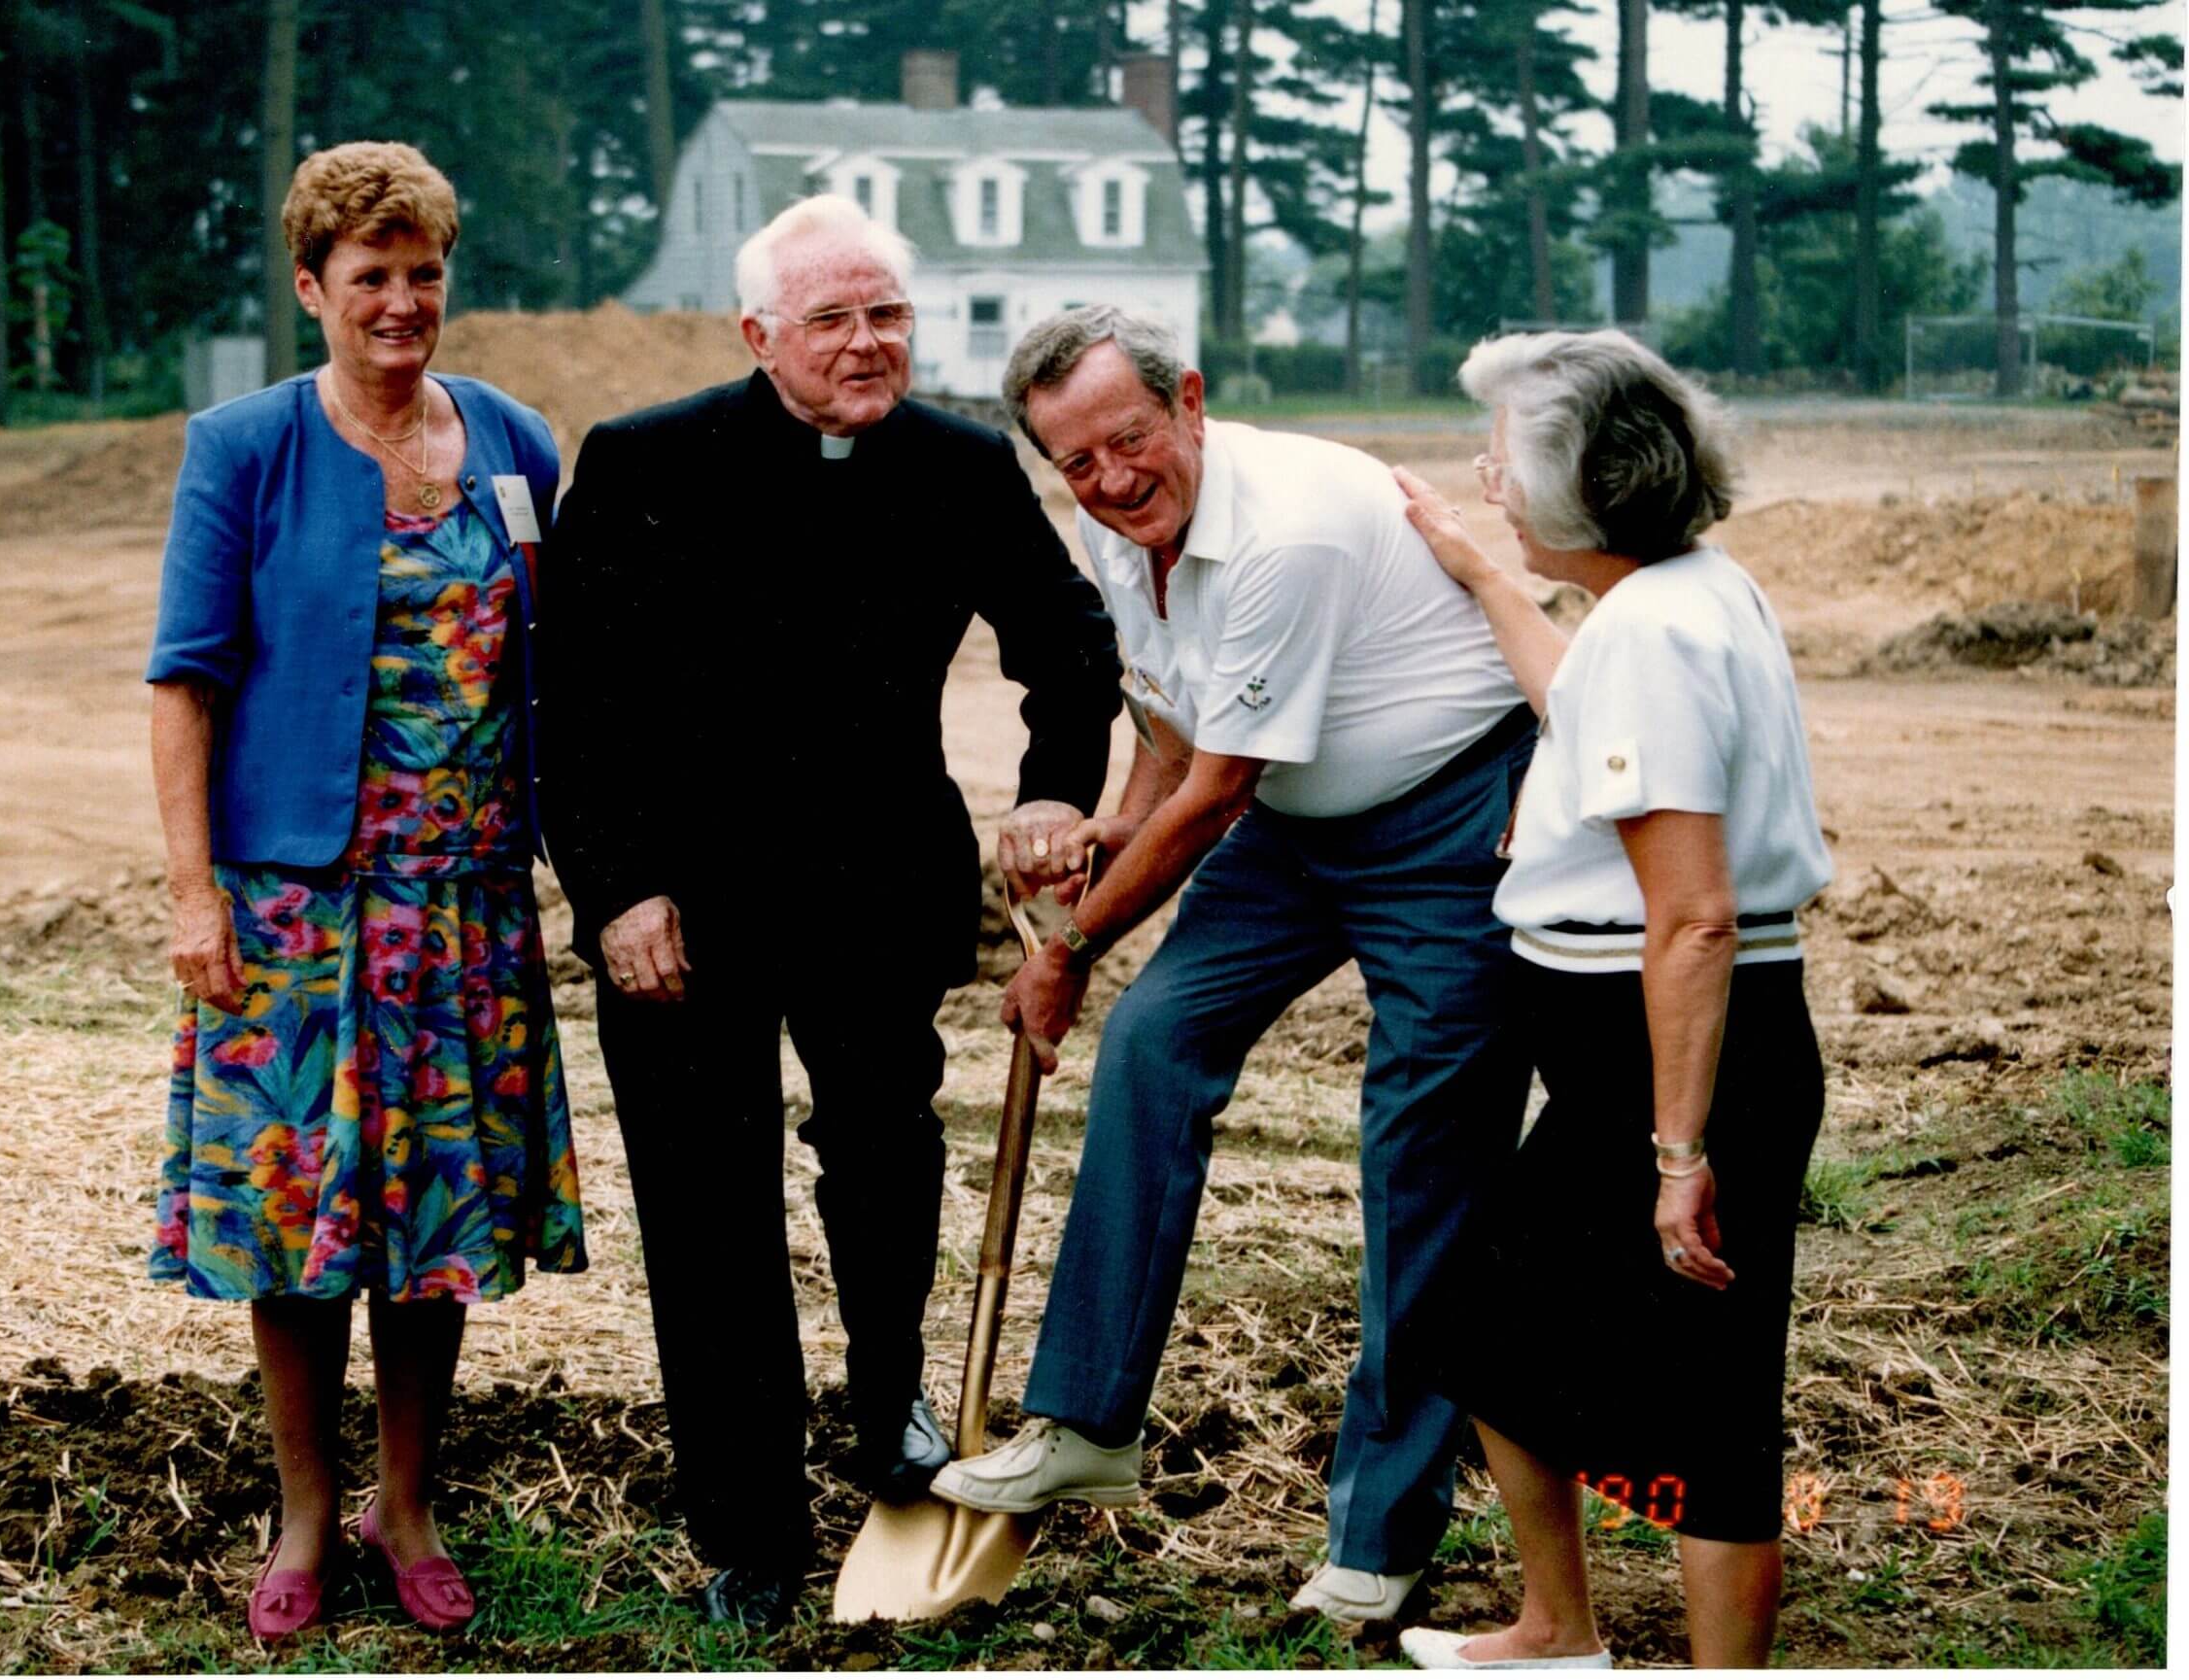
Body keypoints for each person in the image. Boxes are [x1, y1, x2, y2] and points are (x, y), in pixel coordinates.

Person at [539, 195, 1120, 1628]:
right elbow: (576, 704)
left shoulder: (961, 464)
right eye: (832, 320)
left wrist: (1055, 787)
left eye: (888, 315)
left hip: (876, 884)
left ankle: (888, 1414)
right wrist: (615, 888)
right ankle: (748, 1522)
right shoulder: (644, 458)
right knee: (707, 1205)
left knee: (884, 1165)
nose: (868, 343)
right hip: (681, 906)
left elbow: (1069, 641)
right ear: (758, 335)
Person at [928, 305, 1538, 1629]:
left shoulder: (1286, 527)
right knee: (1155, 1042)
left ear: (1189, 401)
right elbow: (1167, 733)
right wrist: (1107, 841)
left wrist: (1072, 948)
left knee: (1421, 1150)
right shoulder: (1116, 523)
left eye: (1129, 439)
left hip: (1449, 820)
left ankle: (1380, 1536)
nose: (1108, 479)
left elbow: (1212, 793)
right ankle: (1087, 1420)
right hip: (1292, 825)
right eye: (1074, 461)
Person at [146, 141, 585, 1642]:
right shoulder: (245, 446)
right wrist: (193, 893)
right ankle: (303, 1507)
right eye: (370, 275)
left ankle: (408, 1504)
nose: (401, 301)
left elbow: (566, 663)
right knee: (296, 1215)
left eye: (424, 273)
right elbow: (184, 681)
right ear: (311, 286)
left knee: (432, 1215)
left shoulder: (516, 441)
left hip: (463, 907)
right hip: (296, 906)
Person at [1383, 330, 1832, 1671]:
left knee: (1707, 1392)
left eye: (1506, 463)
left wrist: (1678, 1155)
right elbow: (1579, 705)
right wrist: (1479, 570)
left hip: (1678, 1055)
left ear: (1589, 483)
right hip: (1650, 1052)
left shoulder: (1650, 632)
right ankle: (1553, 1628)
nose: (1493, 485)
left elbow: (1692, 919)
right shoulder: (1686, 592)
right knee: (1494, 1331)